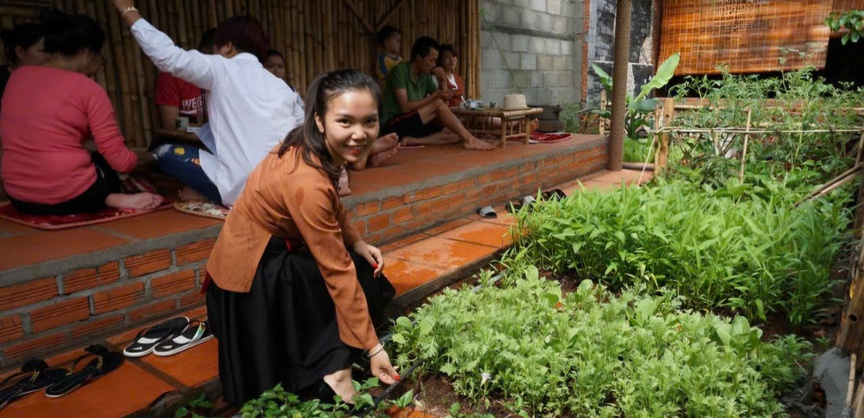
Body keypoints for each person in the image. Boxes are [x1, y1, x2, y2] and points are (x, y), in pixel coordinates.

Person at [204, 69, 398, 405]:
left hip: (269, 256)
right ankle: (336, 371)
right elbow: (336, 270)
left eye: (370, 121)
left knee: (360, 265)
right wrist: (374, 348)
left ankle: (337, 362)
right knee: (345, 279)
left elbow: (332, 205)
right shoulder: (306, 181)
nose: (360, 134)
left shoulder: (310, 144)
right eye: (346, 122)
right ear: (320, 121)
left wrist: (356, 241)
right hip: (252, 279)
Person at [113, 0, 304, 207]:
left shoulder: (218, 68)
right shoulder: (282, 88)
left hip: (244, 188)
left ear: (227, 47)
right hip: (285, 186)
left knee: (165, 152)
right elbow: (173, 122)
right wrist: (199, 123)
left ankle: (206, 191)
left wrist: (128, 10)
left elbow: (168, 56)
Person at [0, 10, 162, 215]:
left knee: (92, 155)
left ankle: (107, 197)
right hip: (71, 196)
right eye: (100, 57)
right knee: (105, 165)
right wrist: (154, 158)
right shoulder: (88, 89)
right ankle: (109, 197)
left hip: (19, 196)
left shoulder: (18, 77)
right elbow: (120, 160)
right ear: (86, 52)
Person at [381, 36, 495, 150]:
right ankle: (471, 140)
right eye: (431, 60)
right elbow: (405, 107)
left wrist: (443, 80)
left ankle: (412, 140)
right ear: (419, 58)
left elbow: (444, 106)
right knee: (438, 106)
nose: (434, 65)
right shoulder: (399, 71)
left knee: (456, 135)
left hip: (412, 124)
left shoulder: (425, 76)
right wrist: (435, 96)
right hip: (392, 125)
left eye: (435, 61)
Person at [154, 28, 215, 130]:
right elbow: (171, 122)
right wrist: (201, 129)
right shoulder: (172, 75)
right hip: (183, 141)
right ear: (205, 52)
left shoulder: (222, 75)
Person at [0, 22, 48, 105]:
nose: (48, 56)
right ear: (20, 52)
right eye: (42, 51)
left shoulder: (48, 79)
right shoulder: (2, 78)